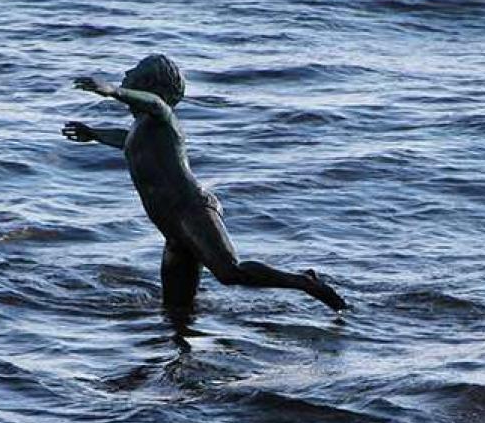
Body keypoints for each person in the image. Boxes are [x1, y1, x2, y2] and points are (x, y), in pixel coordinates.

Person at [61, 54, 347, 312]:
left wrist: (114, 91)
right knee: (176, 309)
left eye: (134, 70)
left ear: (149, 85)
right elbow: (126, 141)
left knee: (229, 272)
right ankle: (182, 361)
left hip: (192, 211)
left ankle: (304, 282)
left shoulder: (163, 117)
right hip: (172, 226)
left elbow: (154, 103)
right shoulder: (142, 128)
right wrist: (94, 134)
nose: (126, 71)